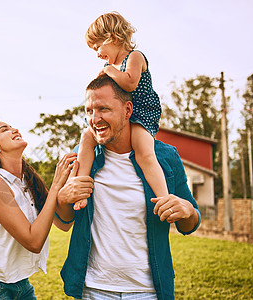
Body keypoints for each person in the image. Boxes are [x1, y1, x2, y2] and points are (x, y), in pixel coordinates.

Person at [55, 75, 201, 300]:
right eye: (89, 111)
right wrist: (63, 198)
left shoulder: (165, 157)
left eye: (103, 109)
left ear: (127, 109)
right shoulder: (83, 155)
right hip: (93, 289)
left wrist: (188, 211)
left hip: (149, 292)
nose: (95, 119)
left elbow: (189, 224)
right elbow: (64, 221)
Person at [0, 119, 76, 300]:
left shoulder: (28, 179)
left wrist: (66, 195)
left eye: (12, 127)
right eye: (5, 129)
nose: (14, 129)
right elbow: (33, 242)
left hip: (18, 282)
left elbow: (64, 222)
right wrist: (56, 185)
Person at [75, 11, 167, 210]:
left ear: (113, 37)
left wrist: (109, 71)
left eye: (98, 46)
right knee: (86, 139)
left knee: (144, 151)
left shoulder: (134, 57)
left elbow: (131, 83)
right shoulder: (110, 65)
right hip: (118, 115)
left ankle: (164, 198)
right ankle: (80, 186)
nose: (97, 53)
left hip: (141, 112)